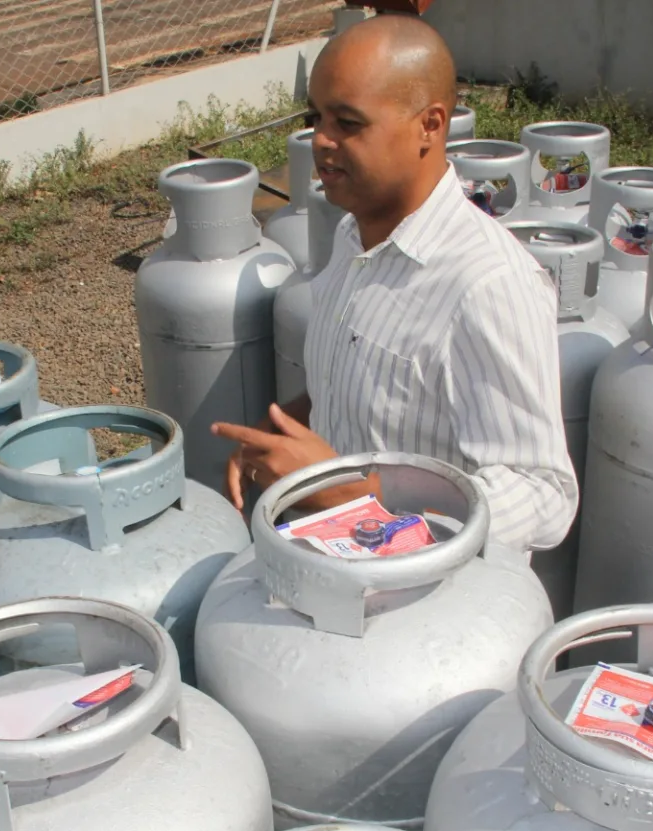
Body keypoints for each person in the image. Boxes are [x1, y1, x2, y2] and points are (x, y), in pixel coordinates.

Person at [212, 15, 577, 553]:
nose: (321, 141)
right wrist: (286, 430)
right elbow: (361, 381)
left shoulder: (488, 285)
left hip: (428, 607)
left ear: (430, 125)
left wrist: (348, 494)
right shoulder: (351, 236)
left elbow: (544, 496)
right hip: (339, 565)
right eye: (317, 116)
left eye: (348, 123)